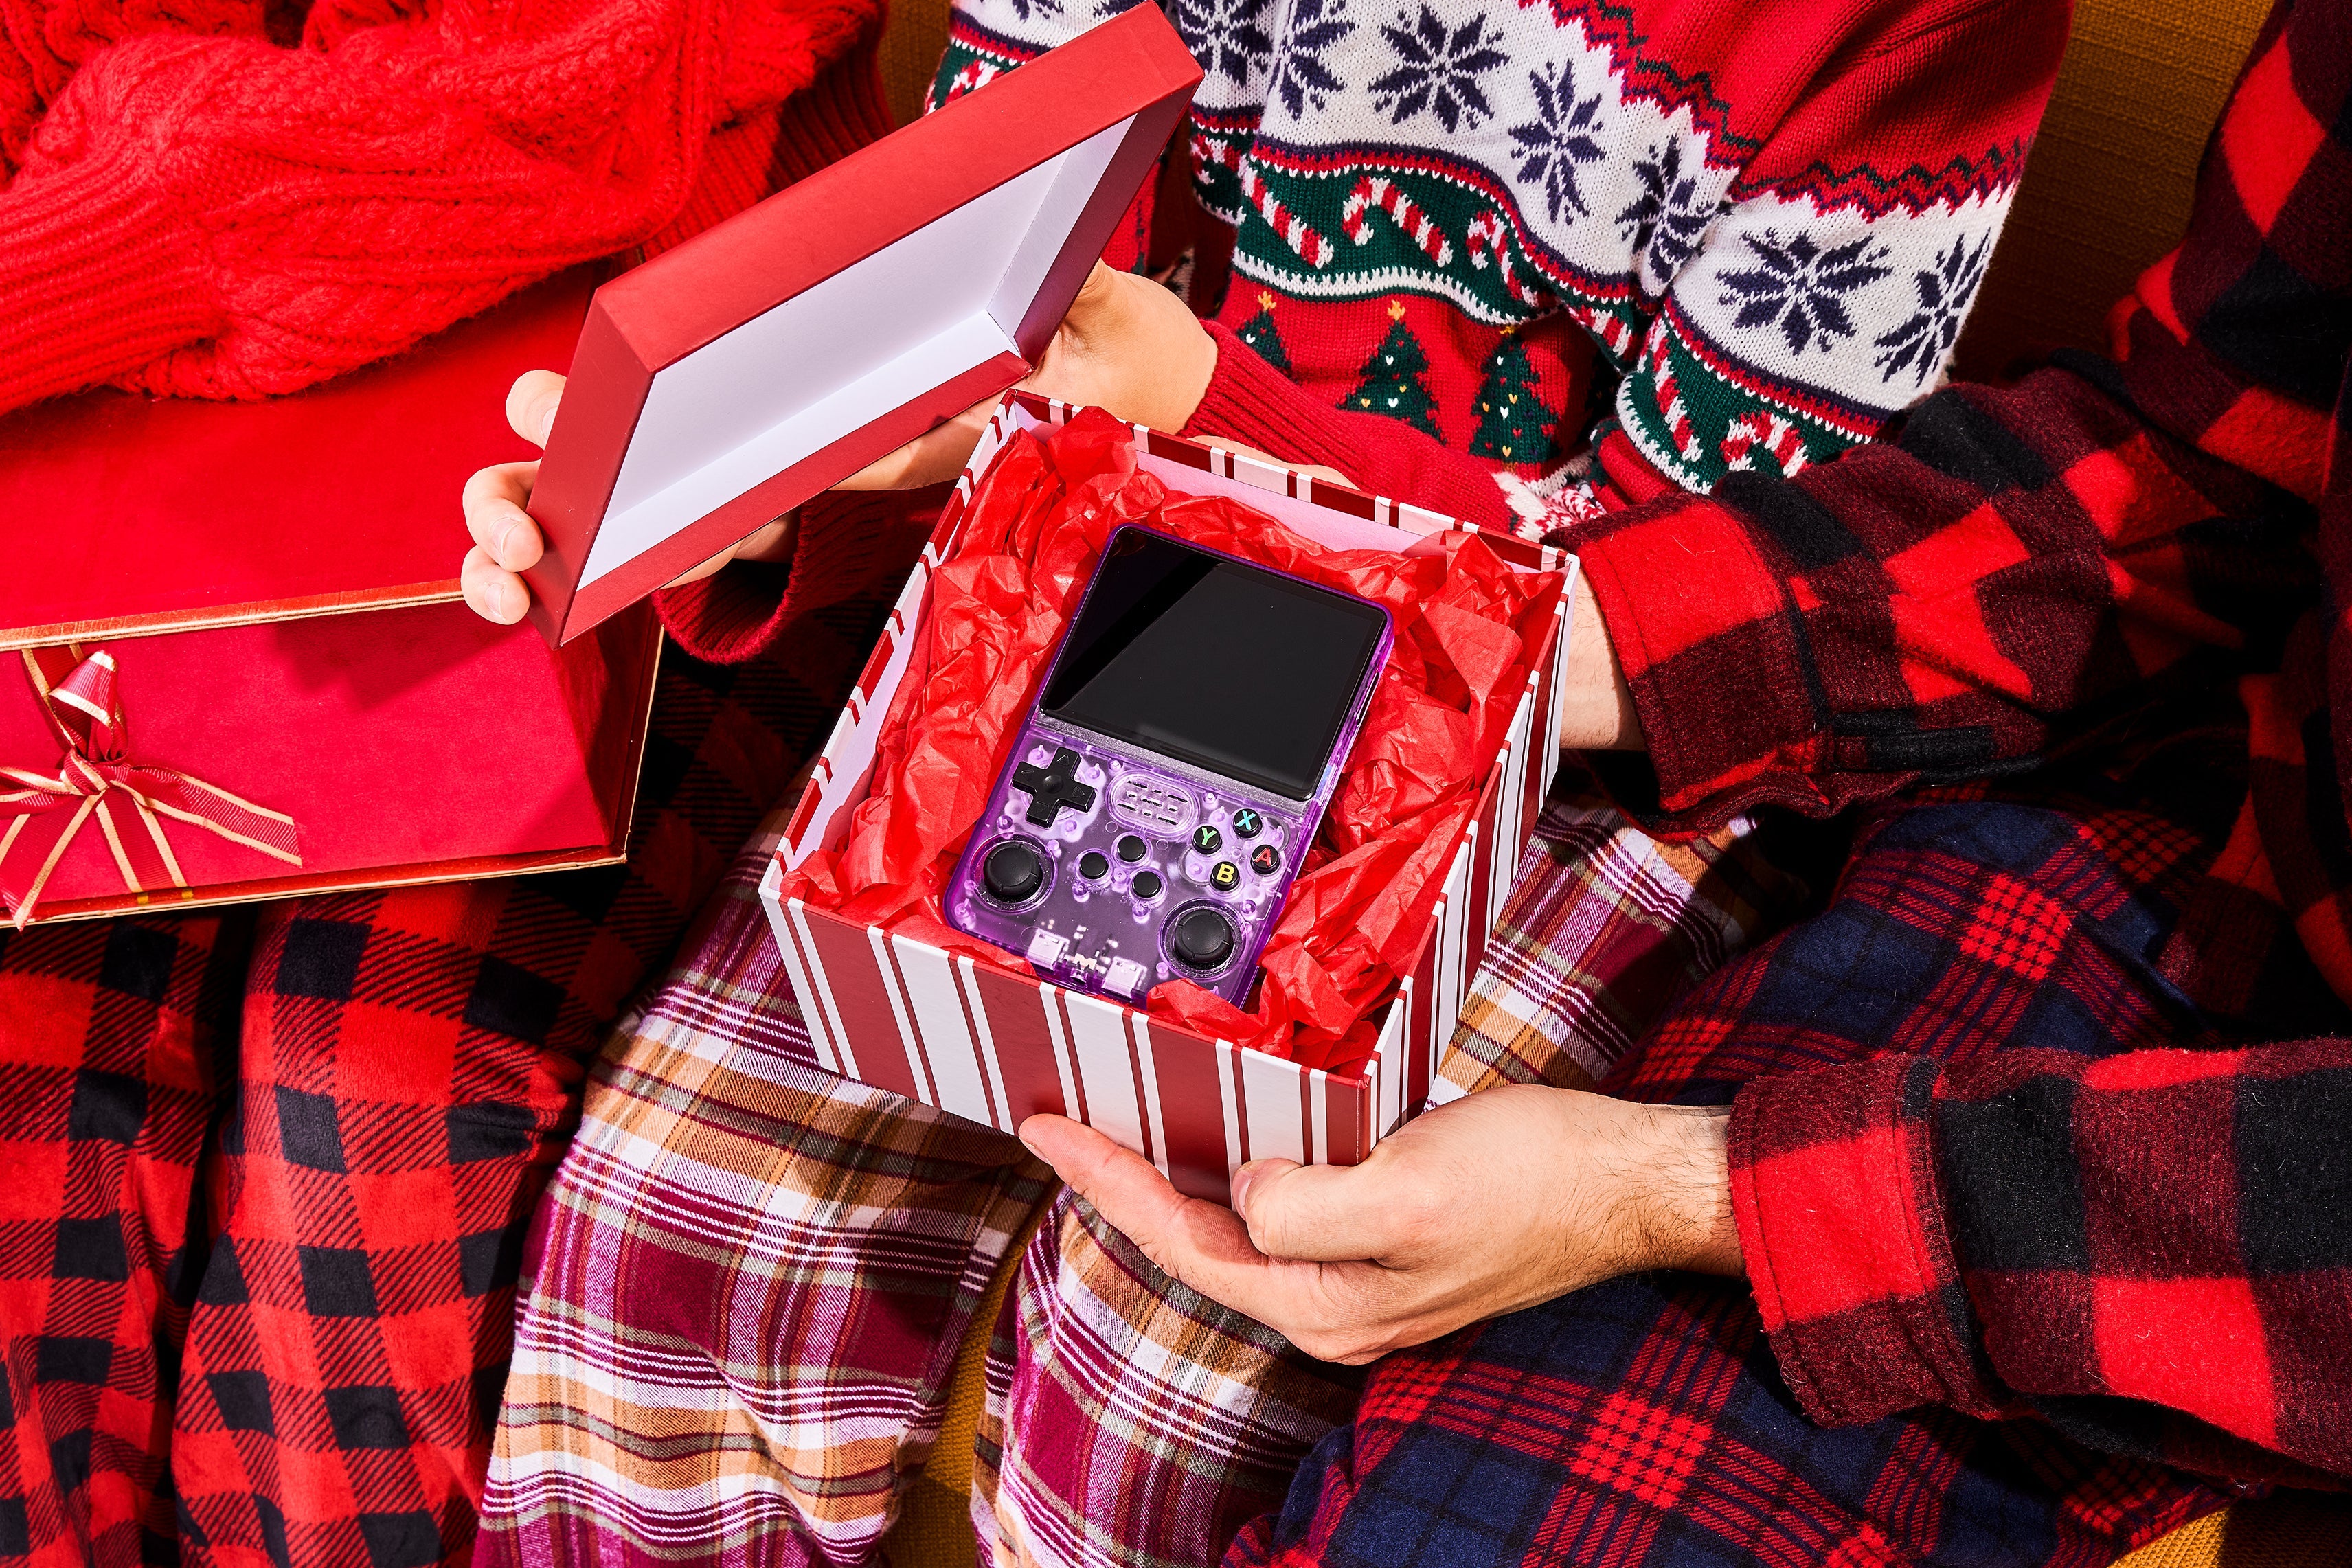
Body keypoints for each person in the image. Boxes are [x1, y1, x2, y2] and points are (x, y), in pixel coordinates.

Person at [467, 0, 2098, 1563]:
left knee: (1165, 1383)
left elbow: (1712, 593)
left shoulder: (1910, 27)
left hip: (1593, 739)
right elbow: (989, 313)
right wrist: (772, 471)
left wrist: (1202, 409)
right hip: (1099, 593)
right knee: (653, 1226)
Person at [0, 1, 917, 1562]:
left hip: (649, 523)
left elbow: (590, 101)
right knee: (25, 1056)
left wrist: (126, 207)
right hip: (118, 514)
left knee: (372, 1086)